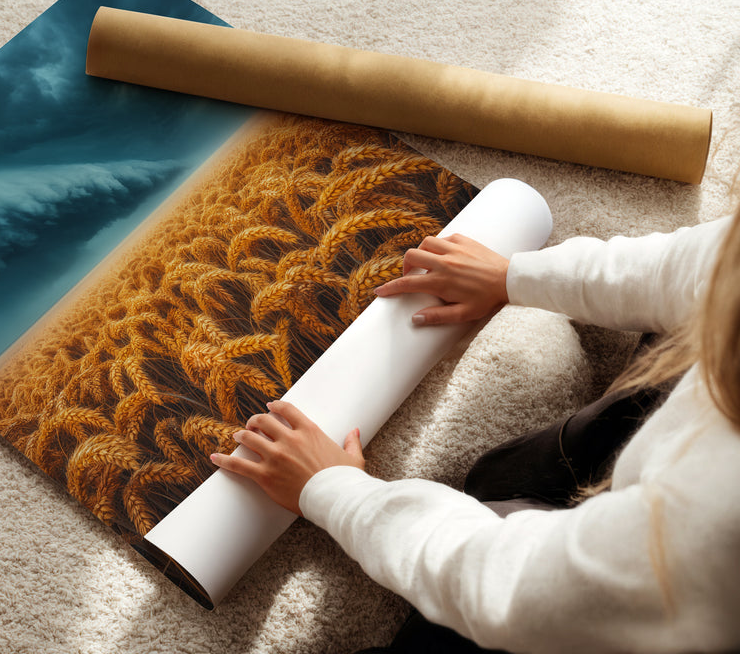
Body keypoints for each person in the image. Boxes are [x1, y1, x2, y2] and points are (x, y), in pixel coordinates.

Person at [210, 210, 740, 653]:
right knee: (503, 476)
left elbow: (511, 587)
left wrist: (334, 490)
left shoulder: (716, 524)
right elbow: (699, 264)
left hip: (665, 605)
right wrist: (513, 276)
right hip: (670, 493)